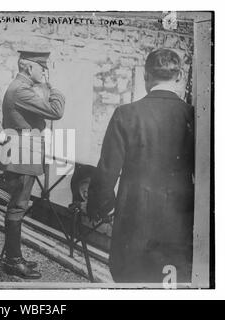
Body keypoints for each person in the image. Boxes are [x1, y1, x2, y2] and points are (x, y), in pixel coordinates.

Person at [86, 48, 195, 283]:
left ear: (146, 76)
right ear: (179, 77)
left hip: (134, 226)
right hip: (179, 227)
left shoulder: (125, 114)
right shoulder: (193, 116)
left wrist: (101, 208)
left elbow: (107, 171)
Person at [0, 50, 65, 279]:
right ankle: (13, 261)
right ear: (29, 68)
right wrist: (53, 88)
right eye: (41, 68)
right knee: (18, 207)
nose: (44, 72)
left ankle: (13, 255)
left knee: (18, 206)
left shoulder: (19, 88)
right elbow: (56, 112)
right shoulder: (21, 91)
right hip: (21, 156)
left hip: (21, 154)